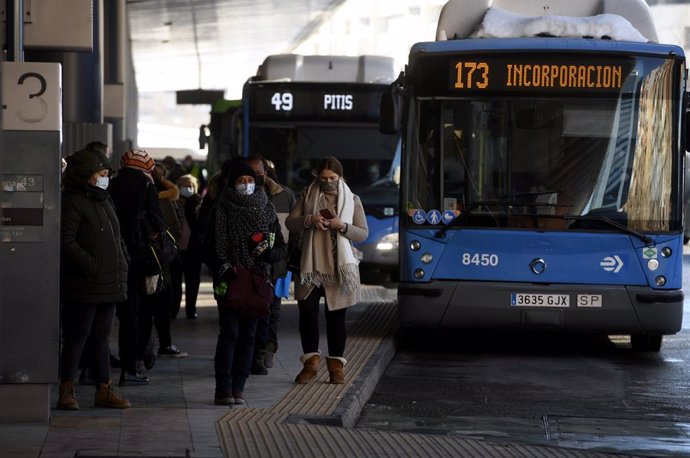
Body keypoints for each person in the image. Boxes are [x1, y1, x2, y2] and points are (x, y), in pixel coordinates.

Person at [285, 156, 368, 385]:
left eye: (333, 178)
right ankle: (310, 365)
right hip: (311, 266)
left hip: (338, 268)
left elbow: (363, 233)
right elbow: (290, 223)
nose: (328, 182)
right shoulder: (307, 194)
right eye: (324, 178)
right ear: (316, 176)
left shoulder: (352, 198)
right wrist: (310, 219)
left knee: (336, 318)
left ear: (341, 177)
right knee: (308, 314)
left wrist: (342, 226)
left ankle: (336, 368)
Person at [208, 159, 286, 405]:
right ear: (231, 183)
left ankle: (239, 387)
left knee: (249, 336)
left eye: (250, 180)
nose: (246, 185)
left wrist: (269, 255)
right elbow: (210, 245)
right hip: (229, 279)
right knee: (230, 333)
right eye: (241, 181)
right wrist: (223, 267)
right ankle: (223, 388)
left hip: (258, 280)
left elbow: (280, 246)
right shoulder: (221, 209)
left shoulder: (267, 208)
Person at [58, 148, 130, 409]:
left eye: (107, 174)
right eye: (101, 174)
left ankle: (104, 389)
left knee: (101, 335)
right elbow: (66, 241)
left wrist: (123, 262)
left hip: (109, 281)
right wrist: (93, 266)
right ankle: (66, 389)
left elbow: (117, 237)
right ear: (86, 175)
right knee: (77, 335)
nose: (105, 178)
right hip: (85, 282)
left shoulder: (104, 200)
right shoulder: (74, 202)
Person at [109, 148, 161, 386]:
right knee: (135, 314)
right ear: (146, 167)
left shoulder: (111, 183)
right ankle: (131, 367)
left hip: (112, 253)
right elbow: (156, 221)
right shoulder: (146, 186)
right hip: (139, 258)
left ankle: (91, 368)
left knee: (111, 313)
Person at [246, 154, 295, 375]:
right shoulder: (239, 195)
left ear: (266, 173)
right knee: (249, 309)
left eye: (258, 174)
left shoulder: (284, 196)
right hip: (248, 266)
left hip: (277, 264)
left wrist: (290, 259)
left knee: (272, 309)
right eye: (250, 174)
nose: (255, 179)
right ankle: (250, 353)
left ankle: (265, 351)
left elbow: (294, 232)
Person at [139, 163, 188, 360]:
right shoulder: (166, 199)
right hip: (161, 260)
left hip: (146, 258)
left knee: (145, 306)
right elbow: (173, 230)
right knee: (161, 303)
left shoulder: (138, 197)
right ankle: (162, 343)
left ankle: (146, 347)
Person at [176, 174, 203, 320]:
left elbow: (199, 226)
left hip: (193, 249)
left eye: (191, 186)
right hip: (176, 249)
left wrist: (191, 208)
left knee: (193, 281)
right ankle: (173, 308)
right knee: (175, 282)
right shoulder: (173, 203)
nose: (188, 188)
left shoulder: (198, 204)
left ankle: (191, 309)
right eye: (185, 185)